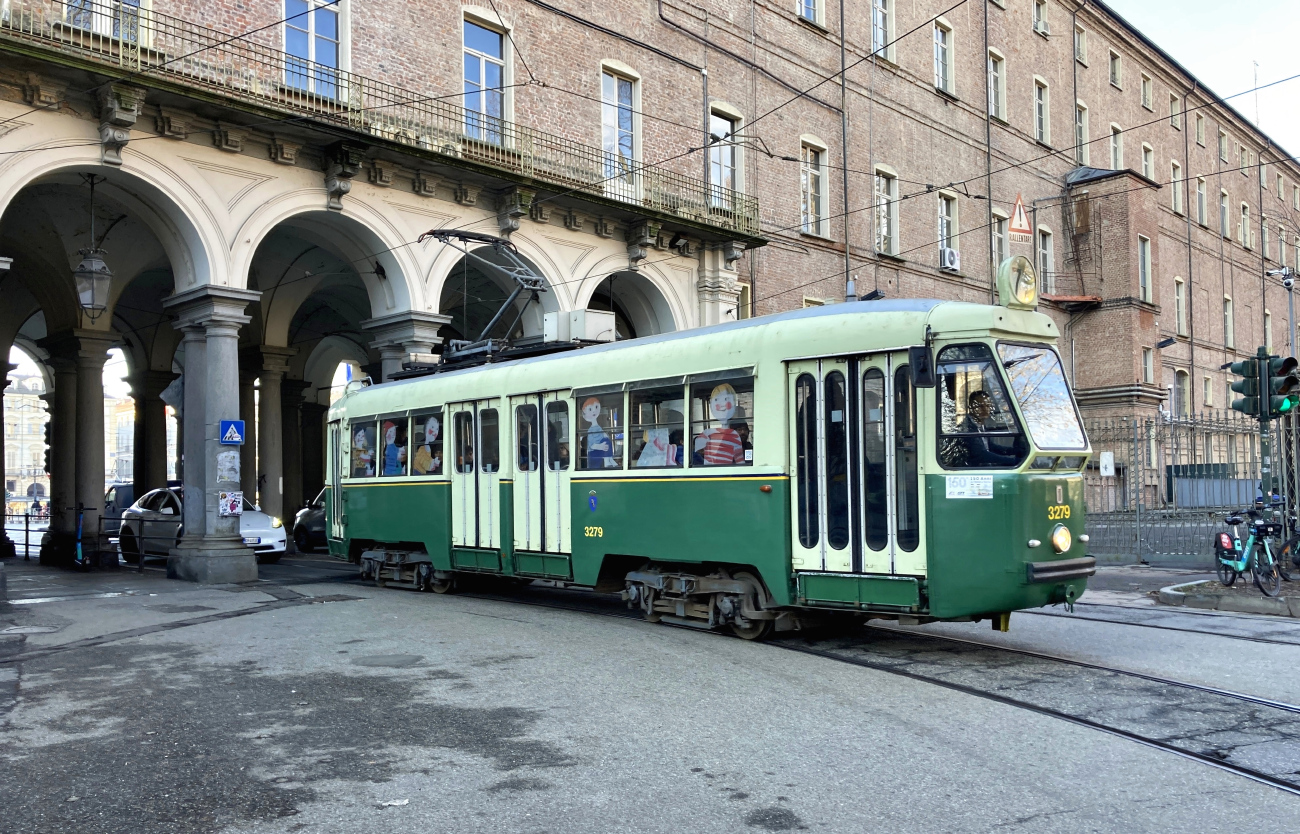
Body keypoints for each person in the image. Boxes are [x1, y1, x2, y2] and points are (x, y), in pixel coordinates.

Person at [955, 389, 1020, 466]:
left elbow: (990, 447)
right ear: (971, 407)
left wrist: (1014, 451)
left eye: (988, 406)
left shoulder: (980, 425)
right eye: (980, 406)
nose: (985, 409)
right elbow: (981, 455)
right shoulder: (967, 427)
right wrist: (1014, 461)